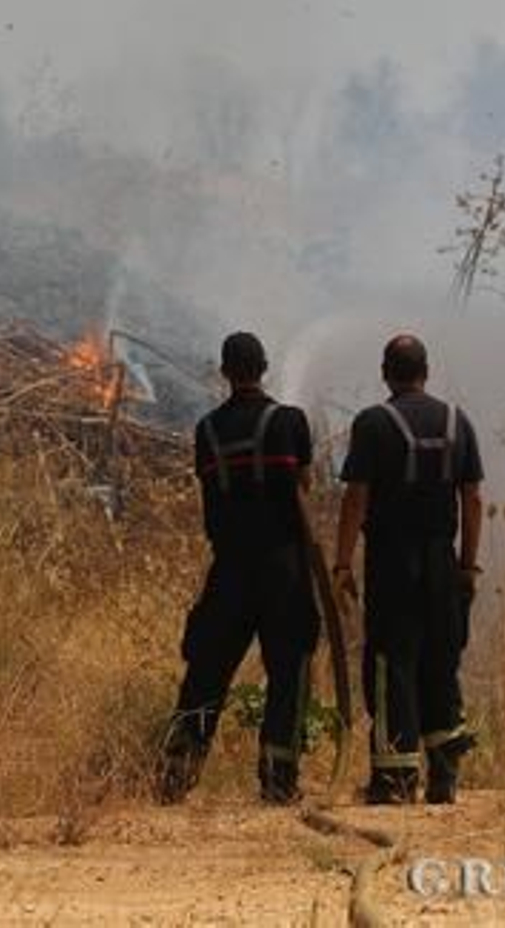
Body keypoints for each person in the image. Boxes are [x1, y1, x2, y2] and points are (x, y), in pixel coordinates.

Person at [157, 332, 320, 805]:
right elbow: (305, 486)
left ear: (224, 372)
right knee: (288, 671)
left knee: (206, 671)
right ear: (264, 367)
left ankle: (176, 775)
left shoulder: (207, 430)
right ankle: (279, 780)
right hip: (283, 568)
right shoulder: (290, 421)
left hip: (229, 569)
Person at [332, 333, 484, 805]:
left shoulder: (373, 423)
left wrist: (342, 564)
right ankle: (444, 774)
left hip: (392, 562)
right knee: (441, 657)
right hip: (443, 560)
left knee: (391, 662)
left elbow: (356, 498)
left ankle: (395, 780)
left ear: (385, 373)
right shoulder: (458, 421)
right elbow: (473, 499)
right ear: (426, 371)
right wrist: (467, 566)